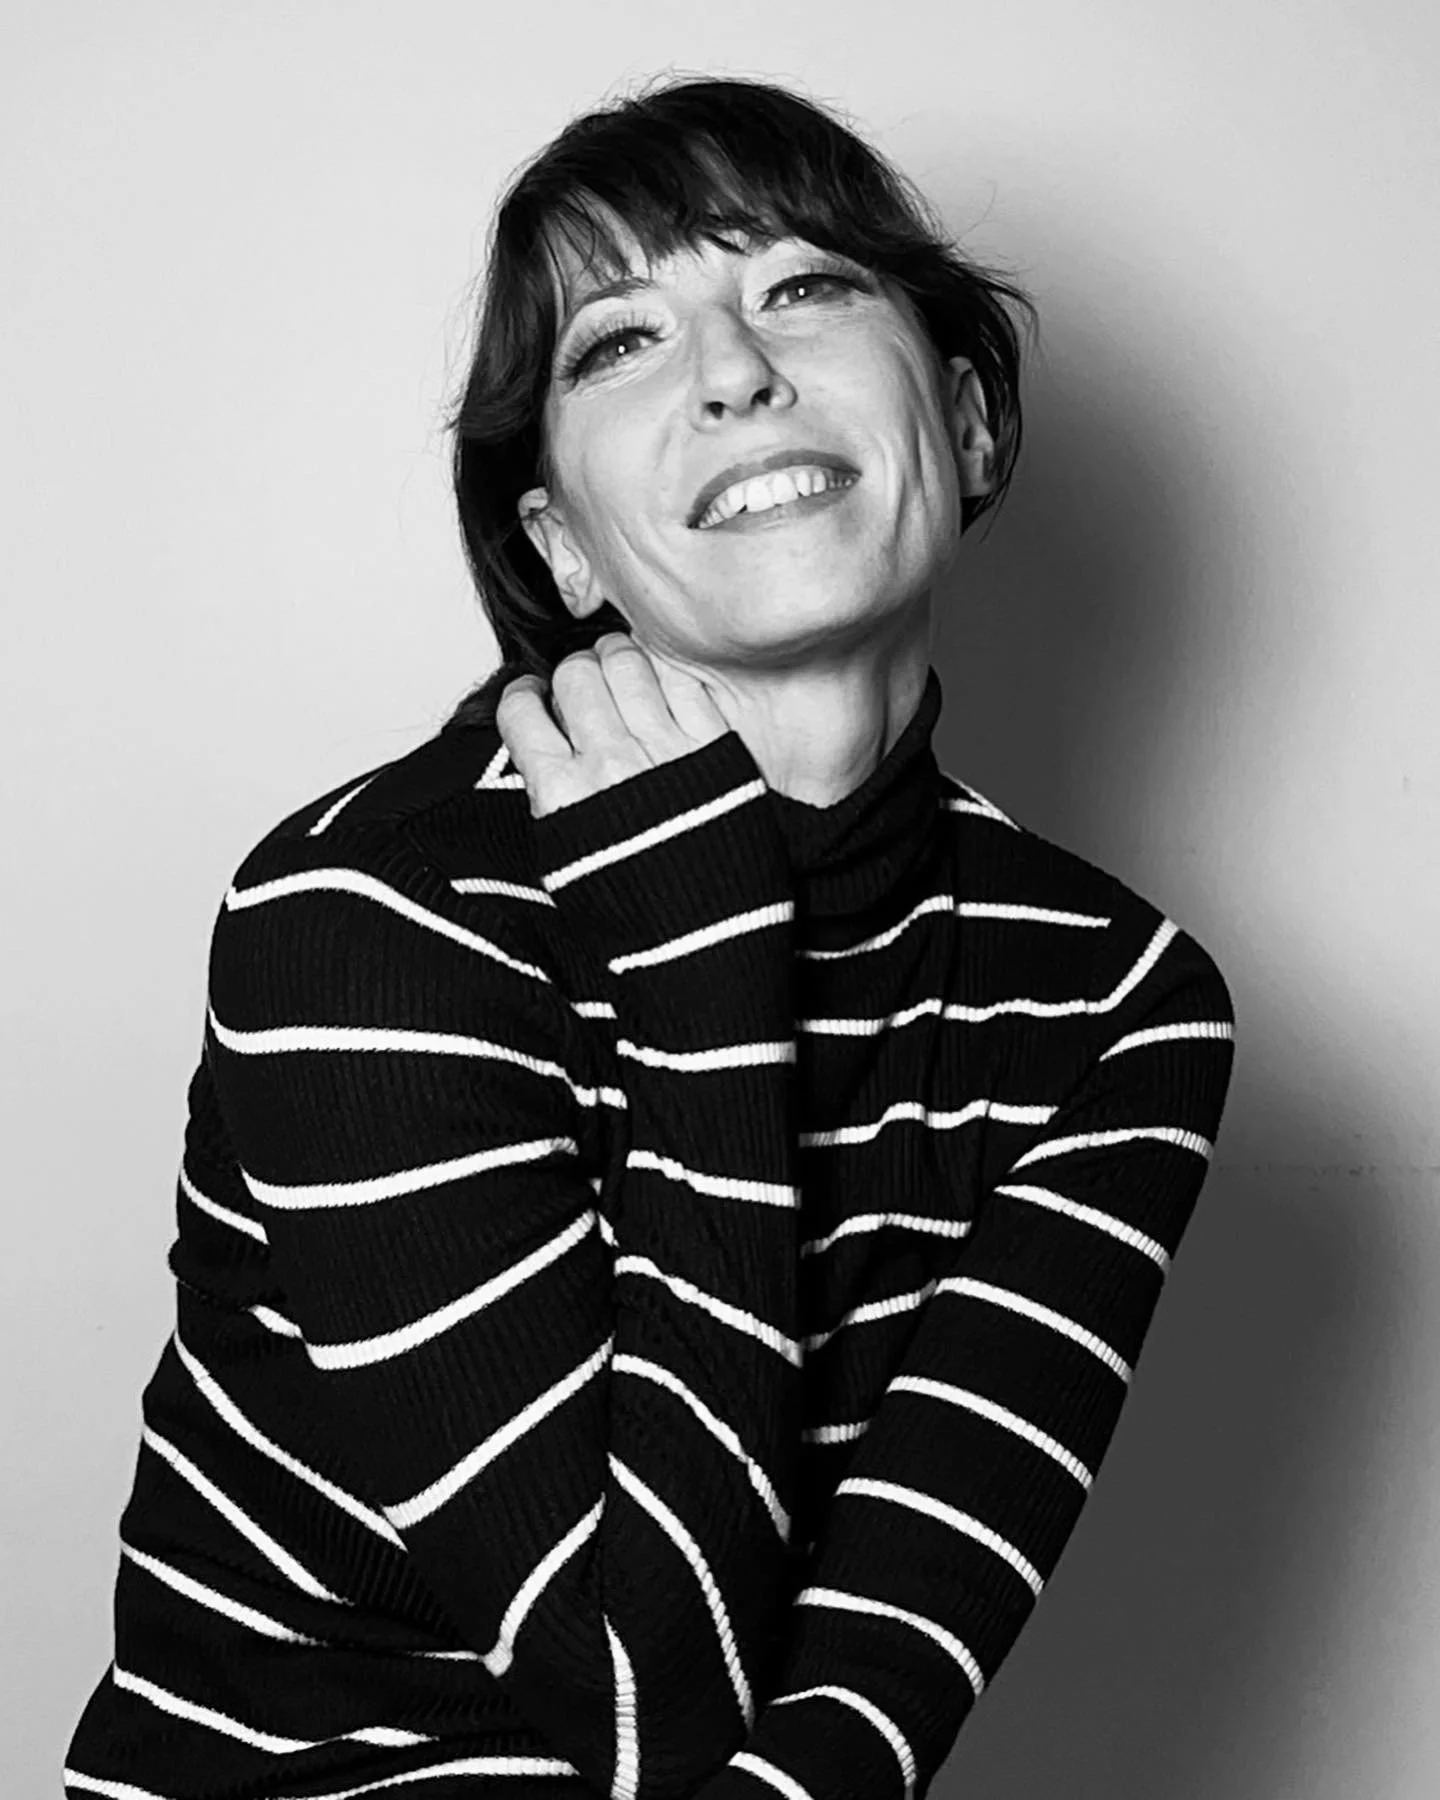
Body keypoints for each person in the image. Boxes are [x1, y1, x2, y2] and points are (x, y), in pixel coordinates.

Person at [64, 73, 1236, 1800]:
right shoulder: (369, 913)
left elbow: (872, 1697)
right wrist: (705, 971)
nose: (735, 370)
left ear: (972, 423)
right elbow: (637, 1702)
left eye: (804, 285)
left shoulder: (1114, 1000)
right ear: (563, 548)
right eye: (620, 341)